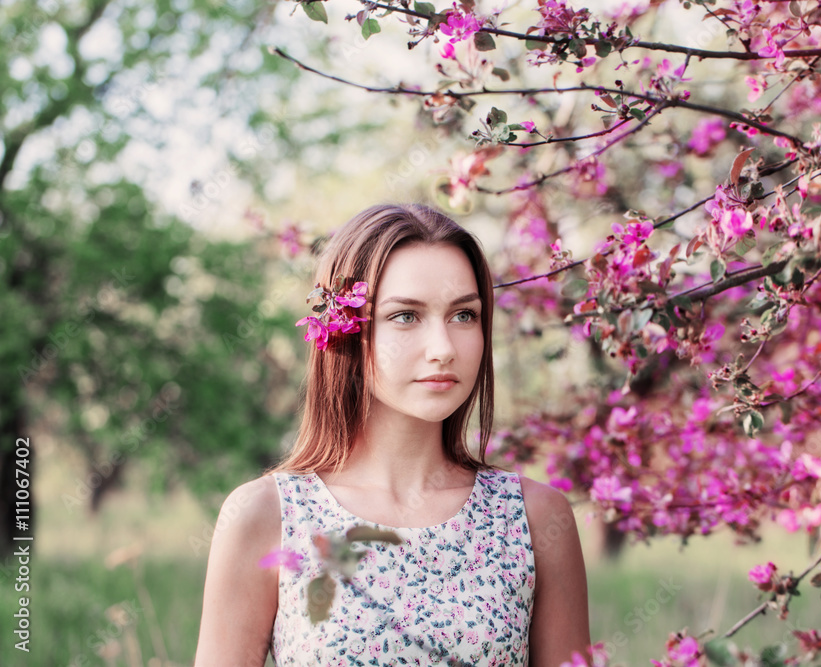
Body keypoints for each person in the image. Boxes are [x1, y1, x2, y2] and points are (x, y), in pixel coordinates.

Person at [194, 203, 591, 666]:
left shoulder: (534, 518)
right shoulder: (267, 516)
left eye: (464, 315)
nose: (443, 349)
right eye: (406, 316)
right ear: (345, 330)